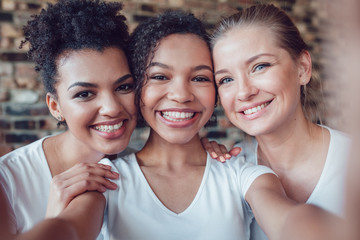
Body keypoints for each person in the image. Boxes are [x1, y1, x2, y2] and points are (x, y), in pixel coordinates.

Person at [92, 10, 321, 240]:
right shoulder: (106, 178)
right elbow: (69, 228)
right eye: (160, 76)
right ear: (137, 86)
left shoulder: (241, 173)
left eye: (200, 78)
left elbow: (287, 221)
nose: (181, 95)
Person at [207, 4, 351, 240]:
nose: (244, 92)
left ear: (302, 68)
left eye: (260, 66)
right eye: (226, 79)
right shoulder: (226, 172)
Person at [0, 0, 137, 239]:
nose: (112, 108)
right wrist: (54, 219)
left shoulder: (142, 166)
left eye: (123, 86)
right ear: (55, 106)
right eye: (85, 94)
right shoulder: (7, 180)